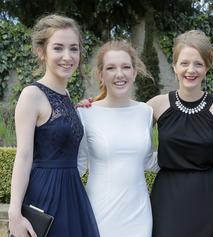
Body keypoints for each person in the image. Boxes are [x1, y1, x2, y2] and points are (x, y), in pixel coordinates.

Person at [8, 14, 100, 237]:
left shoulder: (68, 96)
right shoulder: (32, 95)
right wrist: (14, 214)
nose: (67, 56)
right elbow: (23, 156)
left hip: (73, 194)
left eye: (74, 48)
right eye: (58, 48)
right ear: (42, 52)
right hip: (45, 195)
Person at [147, 30, 213, 237]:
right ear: (174, 66)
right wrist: (92, 107)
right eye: (184, 63)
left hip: (208, 198)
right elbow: (122, 133)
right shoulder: (155, 105)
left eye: (198, 64)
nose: (191, 70)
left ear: (207, 67)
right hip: (166, 199)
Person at [77, 40, 159, 237]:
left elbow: (148, 161)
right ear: (101, 75)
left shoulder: (145, 112)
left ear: (134, 72)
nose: (119, 74)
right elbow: (77, 166)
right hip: (99, 212)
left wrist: (189, 156)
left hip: (139, 214)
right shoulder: (85, 114)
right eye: (111, 68)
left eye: (125, 67)